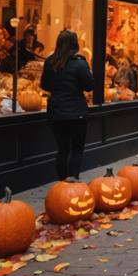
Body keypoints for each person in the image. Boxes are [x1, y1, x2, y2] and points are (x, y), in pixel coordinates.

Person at [40, 30, 94, 180]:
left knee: (62, 149)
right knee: (77, 148)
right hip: (77, 113)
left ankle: (62, 182)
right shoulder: (80, 63)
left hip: (56, 112)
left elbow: (45, 85)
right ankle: (72, 180)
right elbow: (89, 86)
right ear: (75, 44)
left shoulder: (50, 62)